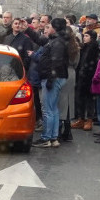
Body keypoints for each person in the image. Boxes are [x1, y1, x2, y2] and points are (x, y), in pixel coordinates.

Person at [34, 17, 70, 147]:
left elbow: (56, 62)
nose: (46, 29)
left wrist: (50, 79)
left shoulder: (57, 42)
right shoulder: (57, 40)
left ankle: (46, 138)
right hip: (56, 77)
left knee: (48, 109)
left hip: (53, 78)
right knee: (53, 109)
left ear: (54, 28)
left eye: (49, 26)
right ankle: (53, 137)